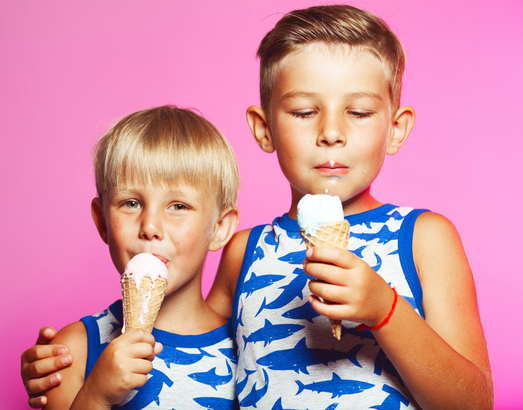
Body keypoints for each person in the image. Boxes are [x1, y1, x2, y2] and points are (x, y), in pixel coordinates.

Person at [22, 5, 494, 409]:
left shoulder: (425, 237)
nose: (331, 132)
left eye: (359, 111)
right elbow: (190, 352)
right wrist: (71, 360)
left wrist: (385, 311)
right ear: (264, 128)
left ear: (396, 128)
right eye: (305, 111)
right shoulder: (243, 251)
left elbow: (475, 401)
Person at [23, 105, 241, 410]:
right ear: (102, 222)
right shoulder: (74, 350)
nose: (150, 226)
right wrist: (97, 395)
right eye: (131, 203)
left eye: (178, 206)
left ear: (219, 228)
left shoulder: (248, 345)